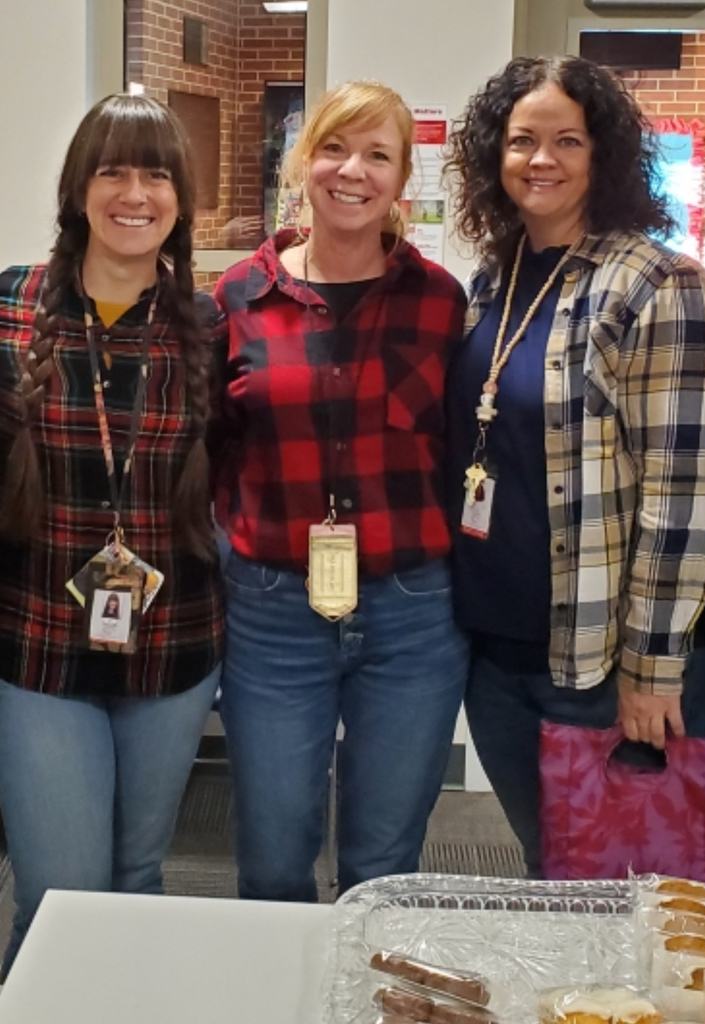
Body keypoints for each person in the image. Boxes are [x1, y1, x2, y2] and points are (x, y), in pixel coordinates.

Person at [443, 56, 705, 876]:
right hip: (493, 654)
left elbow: (684, 494)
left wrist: (653, 670)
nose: (542, 159)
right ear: (493, 156)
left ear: (603, 154)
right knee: (550, 868)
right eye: (522, 139)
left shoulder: (656, 284)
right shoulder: (493, 279)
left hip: (600, 665)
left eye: (568, 140)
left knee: (619, 886)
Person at [213, 81, 468, 899]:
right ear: (302, 163)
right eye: (333, 148)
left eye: (377, 155)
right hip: (274, 612)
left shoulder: (440, 303)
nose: (351, 170)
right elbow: (216, 454)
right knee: (275, 852)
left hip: (412, 615)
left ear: (401, 182)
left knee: (384, 864)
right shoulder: (238, 298)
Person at [0, 95, 223, 973]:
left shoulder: (206, 326)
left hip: (175, 645)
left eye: (157, 174)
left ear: (180, 199)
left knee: (136, 876)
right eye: (114, 171)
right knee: (60, 891)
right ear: (78, 190)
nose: (136, 194)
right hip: (37, 647)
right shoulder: (11, 306)